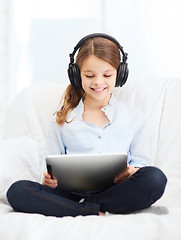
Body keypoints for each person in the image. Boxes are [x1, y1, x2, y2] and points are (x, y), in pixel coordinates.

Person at [6, 33, 167, 217]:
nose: (98, 82)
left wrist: (132, 172)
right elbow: (52, 166)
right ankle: (89, 209)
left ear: (120, 74)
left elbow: (142, 164)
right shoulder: (61, 120)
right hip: (69, 194)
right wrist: (49, 180)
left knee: (155, 178)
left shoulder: (134, 117)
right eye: (89, 75)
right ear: (77, 75)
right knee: (17, 190)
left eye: (107, 75)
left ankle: (86, 206)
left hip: (116, 191)